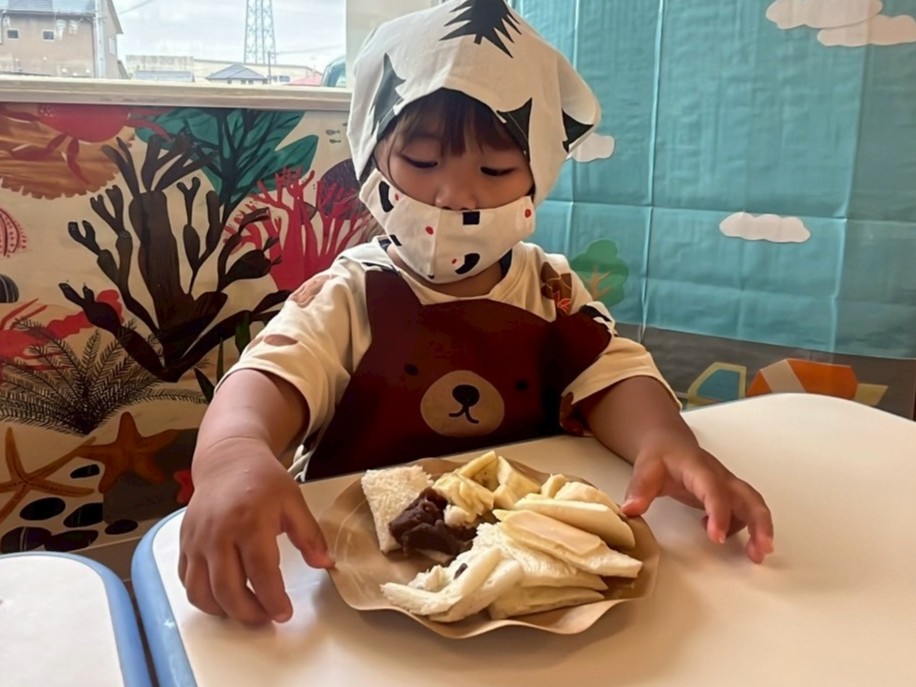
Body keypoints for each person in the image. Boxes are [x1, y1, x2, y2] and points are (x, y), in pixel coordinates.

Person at [179, 0, 774, 626]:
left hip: (526, 567)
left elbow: (613, 376)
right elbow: (269, 378)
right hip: (356, 577)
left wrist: (665, 441)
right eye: (422, 161)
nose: (453, 194)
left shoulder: (549, 288)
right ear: (374, 156)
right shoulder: (348, 293)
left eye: (494, 169)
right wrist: (233, 454)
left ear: (537, 177)